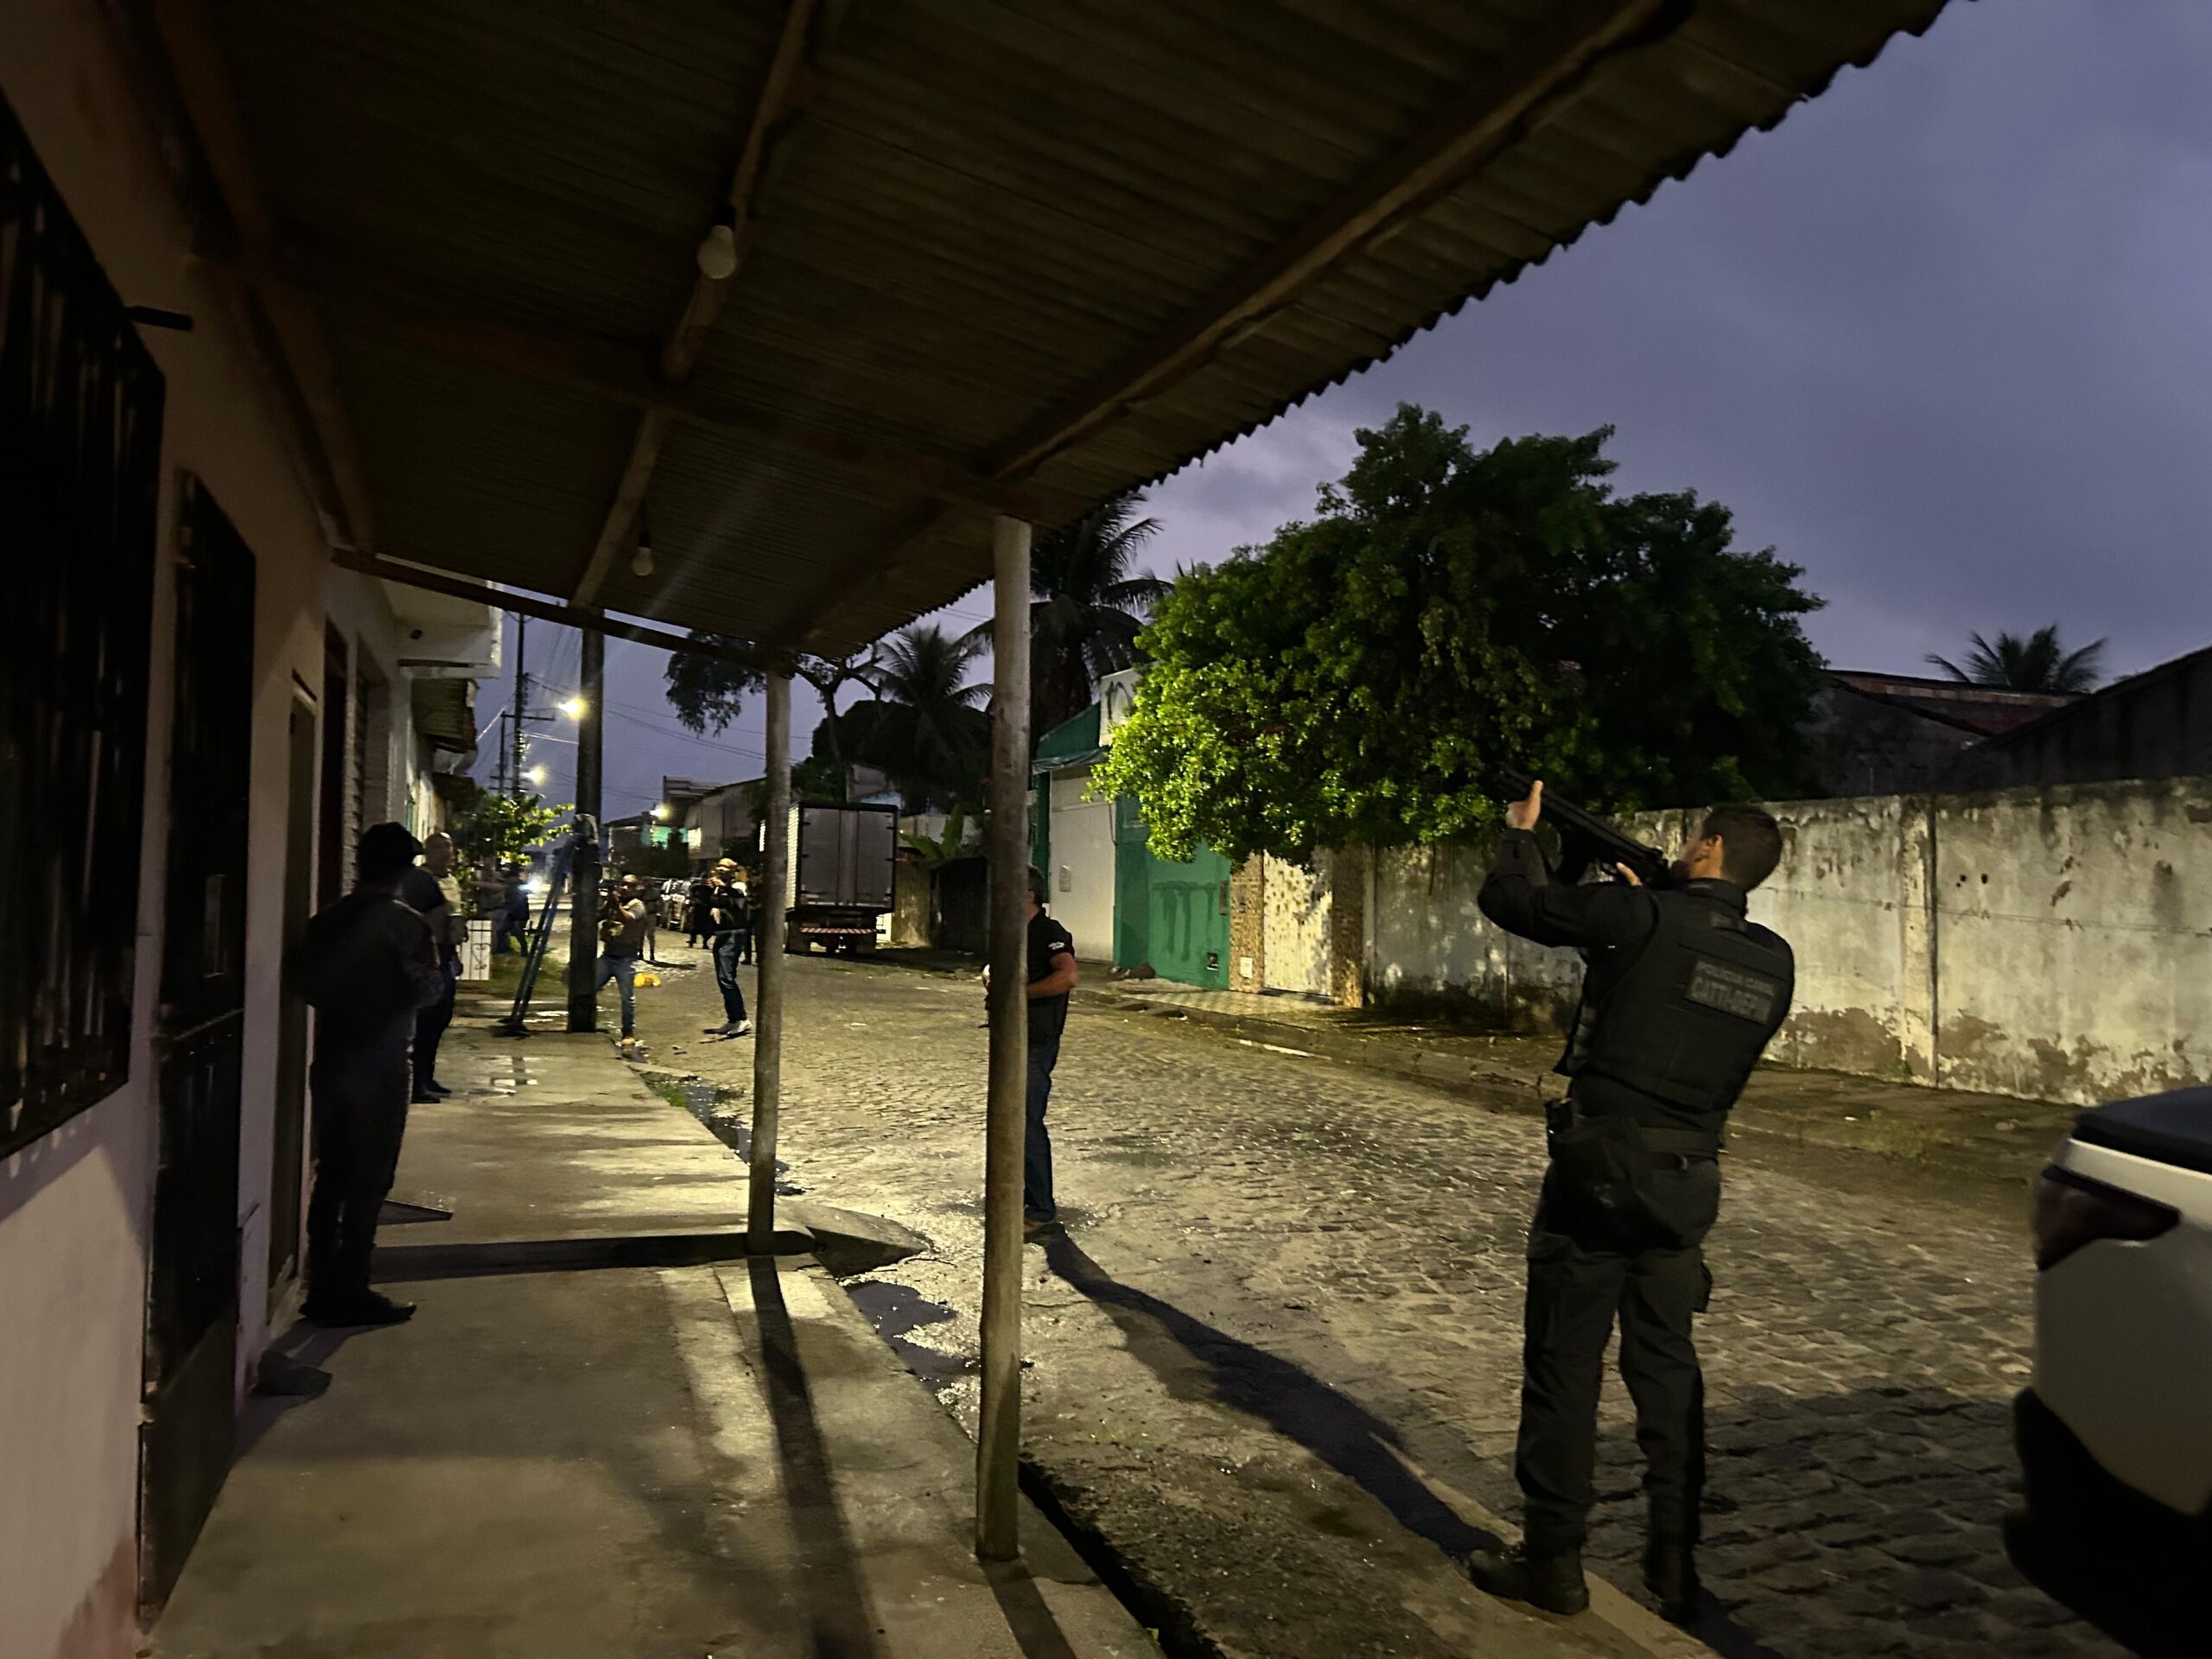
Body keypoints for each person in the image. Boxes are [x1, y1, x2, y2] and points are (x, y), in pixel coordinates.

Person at [1465, 782, 1793, 1625]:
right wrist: (1648, 911)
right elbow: (1682, 994)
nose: (1683, 846)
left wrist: (1519, 835)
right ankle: (1674, 1565)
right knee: (1667, 1370)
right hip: (1689, 1181)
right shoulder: (1772, 960)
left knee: (1564, 1364)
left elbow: (1513, 901)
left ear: (1711, 851)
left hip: (1600, 1169)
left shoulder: (1638, 919)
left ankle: (1553, 1564)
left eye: (1692, 839)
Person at [290, 822, 447, 1327]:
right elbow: (429, 992)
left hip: (334, 1055)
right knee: (370, 1177)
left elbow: (304, 984)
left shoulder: (327, 921)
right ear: (402, 871)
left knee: (332, 1172)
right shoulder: (405, 924)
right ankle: (351, 1287)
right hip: (381, 1063)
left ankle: (320, 1285)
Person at [1021, 867, 1078, 1240]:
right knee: (1013, 1124)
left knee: (1027, 1123)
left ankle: (1041, 1208)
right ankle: (1022, 1199)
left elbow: (1067, 976)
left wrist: (1018, 996)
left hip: (1037, 1040)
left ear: (1027, 893)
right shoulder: (1016, 933)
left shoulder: (1048, 931)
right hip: (1014, 1039)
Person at [400, 830, 465, 1102]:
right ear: (427, 851)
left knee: (441, 1017)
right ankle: (416, 1083)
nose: (445, 851)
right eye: (438, 846)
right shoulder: (420, 881)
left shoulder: (451, 881)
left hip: (446, 953)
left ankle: (427, 1075)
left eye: (448, 846)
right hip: (428, 953)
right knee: (426, 1018)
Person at [594, 873, 651, 1041]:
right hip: (608, 955)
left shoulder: (638, 905)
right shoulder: (614, 903)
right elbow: (598, 916)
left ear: (636, 889)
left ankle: (628, 1031)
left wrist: (617, 904)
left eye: (630, 886)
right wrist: (608, 904)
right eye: (623, 884)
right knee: (590, 987)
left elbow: (629, 919)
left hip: (626, 958)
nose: (625, 888)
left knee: (627, 997)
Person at [702, 858, 752, 1039]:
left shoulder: (739, 886)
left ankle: (742, 1018)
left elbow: (738, 898)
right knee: (722, 979)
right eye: (719, 867)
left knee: (727, 978)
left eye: (725, 867)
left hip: (734, 934)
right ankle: (733, 1018)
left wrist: (722, 886)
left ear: (733, 871)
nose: (720, 869)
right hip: (721, 934)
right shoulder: (718, 888)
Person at [496, 865, 531, 955]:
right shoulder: (513, 887)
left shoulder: (517, 887)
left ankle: (523, 950)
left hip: (518, 914)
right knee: (502, 931)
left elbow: (519, 903)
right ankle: (503, 949)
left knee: (517, 933)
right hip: (513, 914)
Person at [684, 871, 715, 947]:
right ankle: (692, 941)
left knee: (706, 928)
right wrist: (694, 901)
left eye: (705, 879)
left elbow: (713, 898)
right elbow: (690, 896)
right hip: (697, 908)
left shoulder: (709, 889)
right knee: (693, 926)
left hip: (706, 909)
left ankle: (705, 942)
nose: (704, 880)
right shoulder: (695, 887)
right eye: (702, 878)